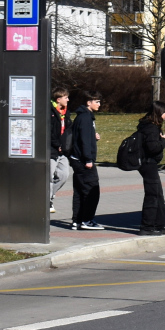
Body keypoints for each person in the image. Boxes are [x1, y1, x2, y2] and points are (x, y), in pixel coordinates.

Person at [69, 90, 103, 230]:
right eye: (96, 101)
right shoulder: (85, 118)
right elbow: (84, 140)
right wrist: (88, 159)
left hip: (77, 159)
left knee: (79, 191)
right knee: (92, 191)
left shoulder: (82, 116)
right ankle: (87, 220)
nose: (99, 104)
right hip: (83, 161)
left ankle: (77, 221)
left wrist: (93, 136)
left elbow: (82, 135)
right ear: (89, 103)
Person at [136, 101, 165, 236]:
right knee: (152, 195)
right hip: (148, 163)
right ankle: (147, 227)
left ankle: (159, 225)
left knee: (158, 195)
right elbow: (153, 148)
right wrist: (164, 140)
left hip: (149, 163)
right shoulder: (151, 128)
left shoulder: (149, 126)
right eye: (164, 112)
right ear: (158, 113)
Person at [48, 87, 71, 214]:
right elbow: (49, 132)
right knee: (49, 177)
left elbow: (69, 129)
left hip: (62, 151)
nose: (68, 100)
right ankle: (48, 201)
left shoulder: (66, 112)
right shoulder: (49, 111)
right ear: (58, 99)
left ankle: (49, 196)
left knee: (64, 175)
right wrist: (57, 145)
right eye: (66, 97)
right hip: (51, 150)